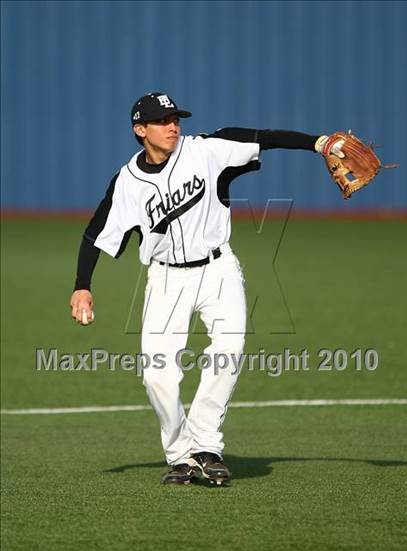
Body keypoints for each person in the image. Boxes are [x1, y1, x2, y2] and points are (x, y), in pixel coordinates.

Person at [70, 92, 343, 485]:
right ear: (140, 130)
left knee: (227, 352)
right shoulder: (127, 182)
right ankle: (182, 456)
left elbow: (264, 137)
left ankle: (206, 448)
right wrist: (82, 286)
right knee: (157, 375)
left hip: (218, 270)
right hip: (166, 278)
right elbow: (95, 234)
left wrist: (317, 143)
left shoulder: (207, 151)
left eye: (175, 118)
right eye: (163, 121)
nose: (173, 126)